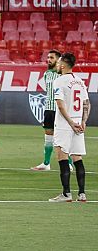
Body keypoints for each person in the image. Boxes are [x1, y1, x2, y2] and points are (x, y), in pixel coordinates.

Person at [49, 52, 90, 202]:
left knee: (62, 156)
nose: (57, 65)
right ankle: (82, 194)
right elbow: (86, 103)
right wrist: (83, 121)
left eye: (59, 62)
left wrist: (71, 123)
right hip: (79, 123)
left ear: (64, 65)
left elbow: (60, 105)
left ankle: (66, 194)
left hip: (65, 124)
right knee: (77, 157)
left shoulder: (59, 81)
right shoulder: (80, 81)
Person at [31, 50, 62, 171]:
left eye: (52, 58)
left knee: (62, 138)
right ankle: (46, 163)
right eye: (48, 57)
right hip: (48, 109)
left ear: (58, 60)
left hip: (60, 110)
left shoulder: (63, 75)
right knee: (48, 137)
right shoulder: (47, 74)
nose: (48, 60)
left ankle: (69, 163)